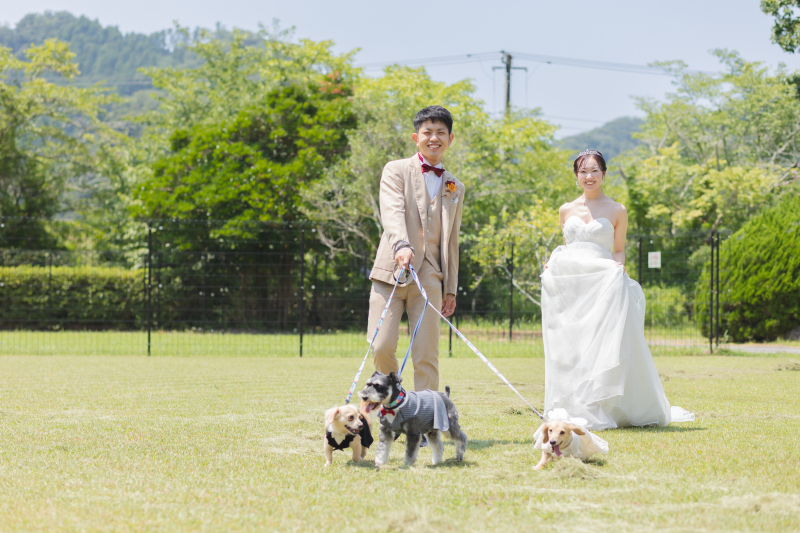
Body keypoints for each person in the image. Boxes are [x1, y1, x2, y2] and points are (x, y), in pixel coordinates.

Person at [540, 149, 693, 430]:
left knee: (598, 345)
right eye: (583, 171)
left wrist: (618, 268)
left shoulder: (617, 209)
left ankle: (602, 404)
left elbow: (618, 251)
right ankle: (573, 403)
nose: (589, 176)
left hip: (602, 288)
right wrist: (552, 265)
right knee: (572, 345)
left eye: (594, 170)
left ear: (604, 174)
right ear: (576, 175)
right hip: (573, 289)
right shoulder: (565, 210)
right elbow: (568, 249)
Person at [367, 105, 465, 392]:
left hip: (431, 278)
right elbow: (392, 211)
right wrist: (401, 244)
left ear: (450, 138)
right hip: (391, 273)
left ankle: (425, 421)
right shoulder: (395, 170)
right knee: (381, 344)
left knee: (426, 355)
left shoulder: (455, 186)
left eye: (441, 133)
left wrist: (451, 289)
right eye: (427, 132)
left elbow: (452, 240)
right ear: (415, 137)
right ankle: (392, 406)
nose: (434, 138)